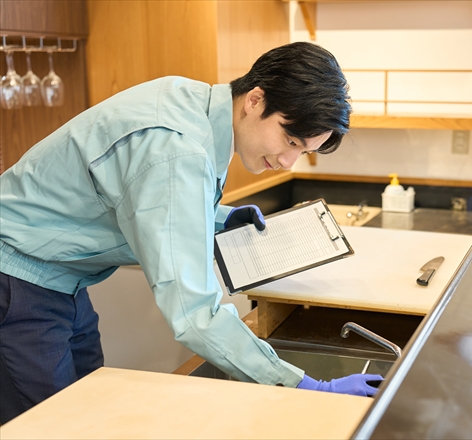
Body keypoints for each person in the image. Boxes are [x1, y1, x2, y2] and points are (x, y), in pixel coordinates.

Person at [0, 42, 382, 424]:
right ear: (255, 100)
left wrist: (219, 218)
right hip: (18, 280)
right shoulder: (177, 149)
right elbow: (195, 315)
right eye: (291, 141)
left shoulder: (193, 103)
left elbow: (138, 194)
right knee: (49, 425)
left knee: (87, 411)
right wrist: (304, 386)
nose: (287, 161)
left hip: (59, 280)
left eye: (303, 152)